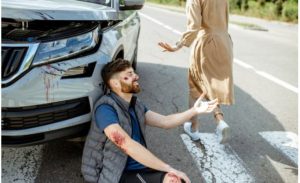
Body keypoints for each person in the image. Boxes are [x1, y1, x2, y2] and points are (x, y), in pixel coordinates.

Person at [81, 59, 218, 183]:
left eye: (134, 72)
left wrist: (194, 110)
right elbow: (126, 144)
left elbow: (165, 121)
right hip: (115, 174)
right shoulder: (105, 109)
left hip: (139, 166)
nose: (136, 76)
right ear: (115, 83)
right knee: (174, 180)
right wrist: (169, 168)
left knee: (175, 180)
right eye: (129, 74)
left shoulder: (135, 104)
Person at [158, 0, 234, 144]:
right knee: (211, 85)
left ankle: (194, 128)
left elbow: (194, 27)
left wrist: (177, 45)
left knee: (195, 86)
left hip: (206, 43)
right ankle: (220, 121)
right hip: (225, 43)